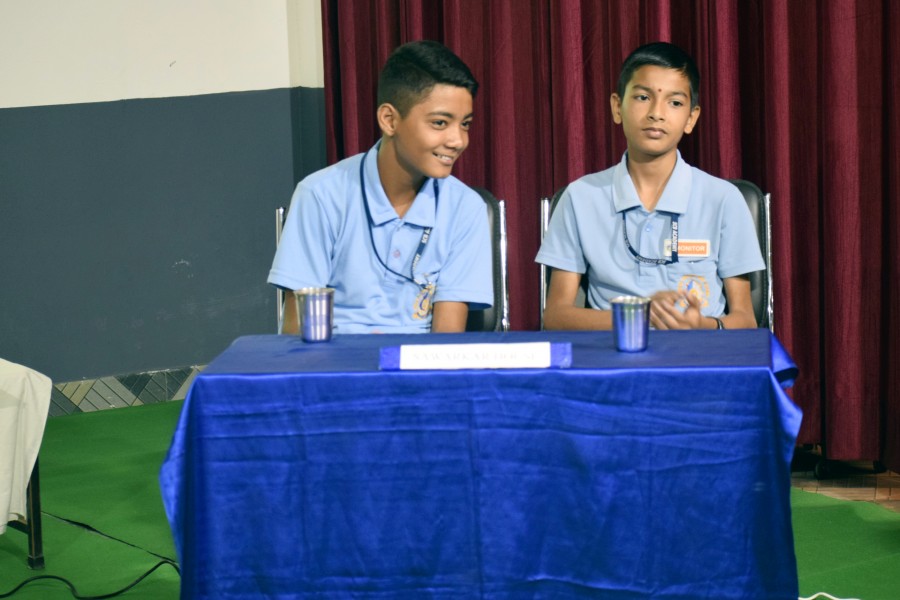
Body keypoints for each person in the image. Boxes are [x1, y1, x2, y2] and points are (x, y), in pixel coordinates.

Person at [536, 41, 764, 331]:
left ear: (691, 118)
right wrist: (639, 315)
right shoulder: (580, 197)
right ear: (617, 107)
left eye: (675, 102)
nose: (657, 113)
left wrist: (702, 325)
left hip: (700, 351)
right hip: (614, 353)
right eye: (643, 97)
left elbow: (745, 320)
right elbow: (556, 316)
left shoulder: (723, 199)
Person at [269, 40, 493, 334]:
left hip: (420, 361)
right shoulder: (320, 195)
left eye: (465, 124)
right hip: (335, 360)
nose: (458, 141)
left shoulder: (466, 207)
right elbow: (298, 333)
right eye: (440, 123)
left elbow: (446, 341)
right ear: (389, 120)